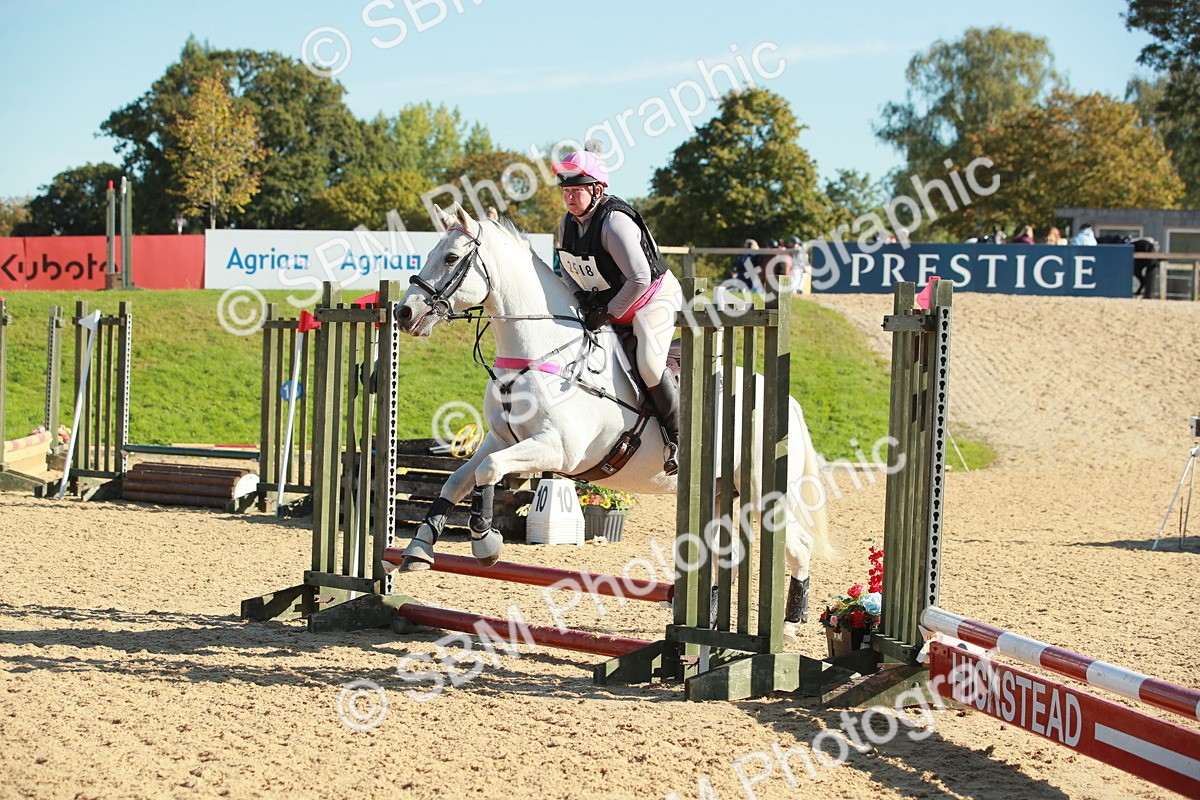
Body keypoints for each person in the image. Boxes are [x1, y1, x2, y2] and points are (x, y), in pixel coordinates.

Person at [551, 141, 685, 475]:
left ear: (597, 190)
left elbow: (639, 279)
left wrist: (608, 311)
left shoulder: (614, 222)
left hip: (652, 297)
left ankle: (678, 438)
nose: (570, 197)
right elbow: (566, 271)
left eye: (576, 190)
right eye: (566, 191)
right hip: (614, 302)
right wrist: (582, 300)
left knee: (649, 364)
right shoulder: (566, 226)